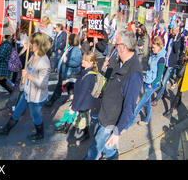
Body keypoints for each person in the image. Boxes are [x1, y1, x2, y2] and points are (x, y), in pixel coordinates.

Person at [84, 30, 142, 160]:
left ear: (123, 47)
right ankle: (112, 155)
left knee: (95, 146)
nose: (114, 47)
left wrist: (117, 132)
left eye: (116, 44)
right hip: (103, 111)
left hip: (111, 119)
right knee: (105, 145)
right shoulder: (118, 60)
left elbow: (129, 108)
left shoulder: (134, 74)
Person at [0, 33, 51, 141]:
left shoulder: (44, 62)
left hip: (36, 97)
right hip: (27, 92)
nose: (30, 45)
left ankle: (40, 133)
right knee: (17, 111)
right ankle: (6, 130)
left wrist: (29, 76)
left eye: (32, 43)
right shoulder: (33, 55)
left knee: (35, 117)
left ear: (38, 45)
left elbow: (43, 84)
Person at [54, 52, 98, 144]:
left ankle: (85, 134)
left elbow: (83, 93)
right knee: (75, 116)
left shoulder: (89, 75)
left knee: (81, 120)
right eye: (83, 59)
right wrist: (69, 82)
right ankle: (66, 128)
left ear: (90, 62)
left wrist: (74, 107)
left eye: (85, 60)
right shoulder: (85, 70)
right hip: (80, 99)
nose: (82, 61)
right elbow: (79, 83)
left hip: (83, 102)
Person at [127, 37, 166, 128]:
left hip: (152, 84)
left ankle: (127, 125)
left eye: (154, 48)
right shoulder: (153, 54)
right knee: (147, 103)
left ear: (159, 47)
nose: (152, 49)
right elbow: (148, 67)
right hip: (146, 80)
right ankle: (147, 120)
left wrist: (151, 85)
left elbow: (159, 76)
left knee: (139, 105)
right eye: (152, 47)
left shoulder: (161, 59)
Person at [46, 33, 81, 107]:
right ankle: (74, 102)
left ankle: (51, 101)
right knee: (69, 89)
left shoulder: (76, 49)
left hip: (68, 73)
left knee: (59, 88)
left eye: (69, 39)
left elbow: (76, 62)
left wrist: (66, 61)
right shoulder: (70, 47)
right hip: (65, 72)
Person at [152, 26, 184, 106]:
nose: (171, 32)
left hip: (171, 64)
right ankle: (163, 93)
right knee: (162, 78)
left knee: (164, 81)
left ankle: (156, 99)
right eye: (172, 31)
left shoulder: (179, 39)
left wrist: (176, 39)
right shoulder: (170, 37)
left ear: (177, 31)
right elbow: (166, 48)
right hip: (166, 61)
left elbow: (176, 50)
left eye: (173, 31)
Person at [164, 45, 188, 117]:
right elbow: (183, 58)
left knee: (179, 91)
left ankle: (170, 110)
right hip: (183, 72)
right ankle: (179, 102)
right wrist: (185, 58)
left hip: (186, 76)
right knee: (179, 89)